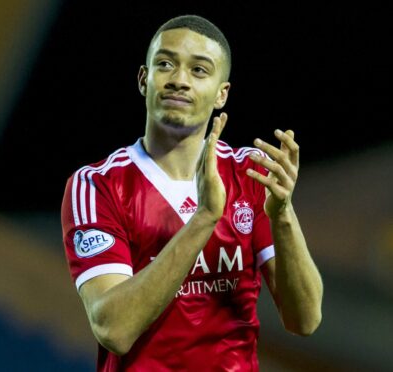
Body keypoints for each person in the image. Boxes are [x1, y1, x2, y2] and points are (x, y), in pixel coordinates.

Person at [60, 14, 323, 371]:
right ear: (144, 79)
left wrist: (283, 216)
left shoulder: (251, 175)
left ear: (221, 94)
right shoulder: (96, 186)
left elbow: (304, 319)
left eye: (199, 70)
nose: (179, 81)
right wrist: (204, 218)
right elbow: (114, 329)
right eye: (165, 64)